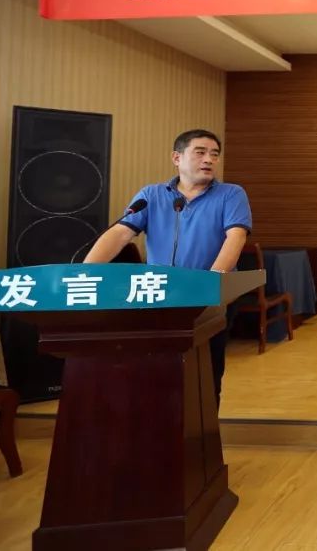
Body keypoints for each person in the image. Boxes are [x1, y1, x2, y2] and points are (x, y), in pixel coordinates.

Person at [83, 129, 251, 407]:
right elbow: (121, 233)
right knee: (156, 372)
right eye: (200, 152)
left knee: (205, 373)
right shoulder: (151, 195)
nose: (209, 159)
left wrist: (211, 284)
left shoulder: (231, 194)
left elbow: (236, 237)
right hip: (158, 298)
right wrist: (84, 273)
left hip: (209, 300)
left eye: (214, 154)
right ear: (177, 157)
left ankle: (202, 428)